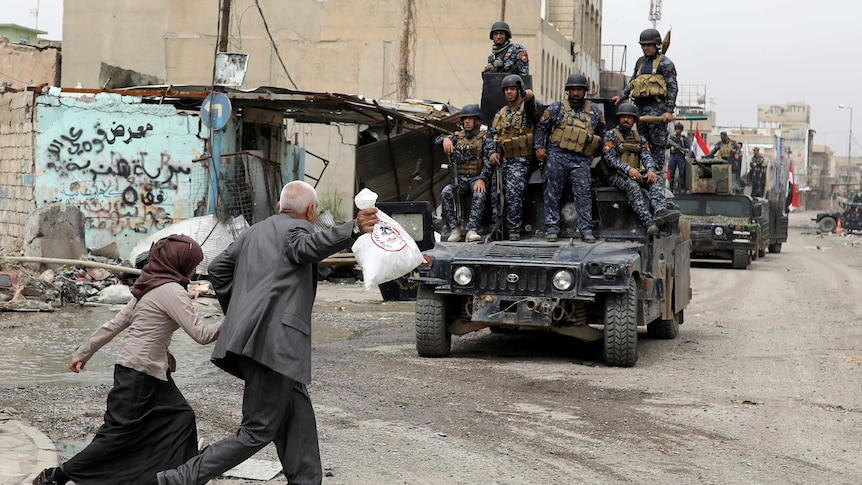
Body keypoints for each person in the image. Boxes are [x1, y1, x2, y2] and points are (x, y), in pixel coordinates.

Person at [157, 181, 378, 485]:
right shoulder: (298, 231)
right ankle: (179, 478)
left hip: (262, 346)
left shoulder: (252, 232)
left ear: (278, 207)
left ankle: (306, 480)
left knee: (297, 420)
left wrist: (240, 312)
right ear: (311, 211)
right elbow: (304, 248)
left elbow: (219, 268)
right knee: (256, 431)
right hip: (274, 347)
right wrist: (351, 228)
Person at [34, 235, 222, 485]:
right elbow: (202, 334)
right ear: (179, 262)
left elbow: (114, 324)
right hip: (140, 375)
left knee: (181, 418)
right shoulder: (172, 290)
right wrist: (237, 317)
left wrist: (84, 351)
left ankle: (177, 477)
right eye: (193, 263)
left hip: (147, 372)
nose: (195, 270)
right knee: (115, 437)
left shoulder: (150, 286)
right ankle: (56, 476)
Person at [534, 73, 604, 243]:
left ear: (584, 92)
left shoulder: (594, 111)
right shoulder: (557, 108)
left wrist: (593, 154)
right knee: (552, 191)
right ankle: (552, 228)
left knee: (583, 193)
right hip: (557, 155)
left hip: (580, 159)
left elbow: (603, 136)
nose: (576, 93)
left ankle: (585, 229)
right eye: (572, 90)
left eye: (579, 90)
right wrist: (538, 147)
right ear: (568, 91)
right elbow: (542, 128)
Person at [612, 28, 678, 188]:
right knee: (641, 147)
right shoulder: (640, 63)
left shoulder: (665, 63)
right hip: (640, 113)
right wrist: (621, 96)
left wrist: (669, 110)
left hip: (657, 113)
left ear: (656, 45)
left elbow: (672, 87)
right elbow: (633, 83)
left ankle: (658, 189)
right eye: (643, 45)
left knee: (657, 152)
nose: (645, 48)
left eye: (649, 45)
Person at [601, 102, 680, 238]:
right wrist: (628, 169)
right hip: (616, 176)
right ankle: (648, 222)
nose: (626, 120)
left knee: (656, 179)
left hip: (635, 173)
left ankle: (660, 212)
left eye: (629, 117)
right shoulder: (610, 136)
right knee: (632, 186)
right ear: (619, 118)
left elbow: (646, 156)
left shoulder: (639, 139)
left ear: (634, 120)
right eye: (623, 117)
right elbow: (609, 159)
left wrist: (650, 170)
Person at [487, 74, 539, 241]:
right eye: (507, 89)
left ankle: (513, 230)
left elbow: (532, 106)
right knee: (496, 193)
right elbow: (490, 136)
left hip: (521, 160)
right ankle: (497, 229)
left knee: (513, 193)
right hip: (503, 160)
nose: (509, 92)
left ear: (519, 90)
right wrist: (491, 153)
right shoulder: (500, 114)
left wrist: (528, 96)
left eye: (512, 89)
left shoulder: (527, 111)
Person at [436, 103, 494, 242]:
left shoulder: (485, 138)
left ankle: (471, 230)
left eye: (470, 119)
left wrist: (482, 179)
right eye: (465, 119)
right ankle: (455, 229)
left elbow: (488, 161)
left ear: (477, 121)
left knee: (479, 193)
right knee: (446, 192)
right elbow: (437, 140)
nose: (467, 122)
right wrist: (445, 139)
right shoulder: (457, 137)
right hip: (460, 178)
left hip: (476, 177)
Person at [667, 122, 690, 193]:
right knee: (671, 173)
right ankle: (671, 188)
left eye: (679, 129)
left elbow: (688, 149)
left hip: (680, 156)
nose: (677, 131)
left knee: (682, 173)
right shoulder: (672, 138)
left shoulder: (684, 139)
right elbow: (667, 146)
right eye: (676, 129)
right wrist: (668, 144)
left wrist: (684, 149)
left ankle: (681, 188)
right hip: (673, 156)